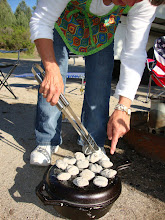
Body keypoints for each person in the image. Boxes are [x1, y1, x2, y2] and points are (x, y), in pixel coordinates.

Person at [29, 0, 165, 166]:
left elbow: (134, 53)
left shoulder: (146, 2)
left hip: (102, 30)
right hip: (61, 20)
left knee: (100, 85)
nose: (130, 2)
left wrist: (124, 106)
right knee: (52, 83)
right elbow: (42, 20)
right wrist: (51, 69)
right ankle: (47, 141)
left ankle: (93, 143)